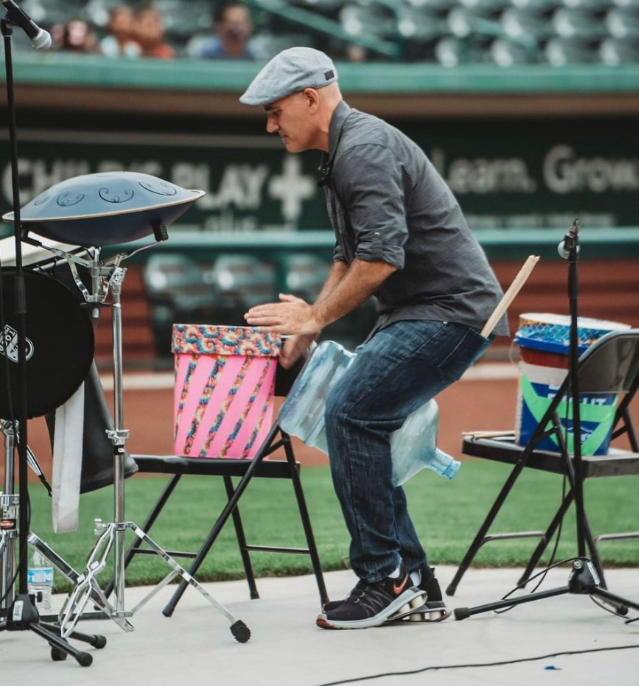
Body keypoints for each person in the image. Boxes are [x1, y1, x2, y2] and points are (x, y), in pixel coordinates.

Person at [242, 48, 508, 630]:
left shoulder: (362, 149)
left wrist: (314, 320)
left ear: (311, 98)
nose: (269, 123)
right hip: (427, 312)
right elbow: (349, 256)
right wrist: (312, 315)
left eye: (274, 110)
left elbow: (381, 259)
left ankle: (382, 580)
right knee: (360, 418)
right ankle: (414, 582)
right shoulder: (344, 152)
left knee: (352, 413)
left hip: (449, 311)